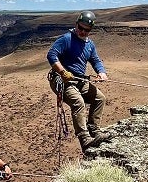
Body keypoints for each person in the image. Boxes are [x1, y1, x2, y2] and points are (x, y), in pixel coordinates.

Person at [47, 10, 111, 152]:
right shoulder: (66, 39)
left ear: (90, 30)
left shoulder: (90, 45)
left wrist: (102, 72)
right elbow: (51, 55)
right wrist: (63, 72)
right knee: (78, 102)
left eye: (86, 30)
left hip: (79, 80)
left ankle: (94, 129)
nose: (82, 32)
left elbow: (95, 60)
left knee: (100, 98)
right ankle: (84, 139)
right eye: (80, 28)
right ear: (76, 24)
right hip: (62, 80)